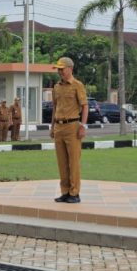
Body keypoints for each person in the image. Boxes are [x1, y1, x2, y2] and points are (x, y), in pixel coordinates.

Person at [50, 57, 88, 204]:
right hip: (59, 126)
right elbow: (55, 107)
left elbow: (84, 106)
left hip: (73, 127)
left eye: (62, 69)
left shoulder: (77, 85)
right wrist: (52, 126)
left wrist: (83, 126)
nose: (59, 72)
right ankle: (65, 192)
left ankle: (74, 192)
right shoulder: (56, 87)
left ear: (70, 69)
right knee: (62, 162)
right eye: (58, 69)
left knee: (73, 162)